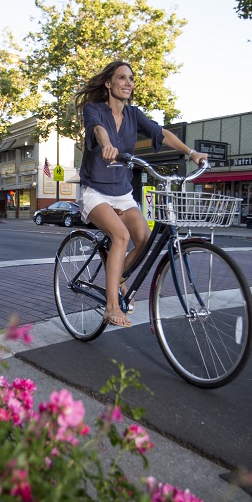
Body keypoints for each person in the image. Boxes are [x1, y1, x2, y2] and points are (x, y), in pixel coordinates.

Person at [75, 60, 207, 328]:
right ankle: (111, 307)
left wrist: (191, 153)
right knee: (121, 236)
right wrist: (108, 144)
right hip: (95, 190)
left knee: (145, 239)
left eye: (131, 79)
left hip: (121, 190)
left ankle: (117, 276)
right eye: (121, 78)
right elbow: (98, 130)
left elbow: (162, 134)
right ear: (108, 83)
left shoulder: (134, 115)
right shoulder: (94, 109)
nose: (128, 83)